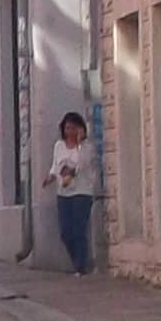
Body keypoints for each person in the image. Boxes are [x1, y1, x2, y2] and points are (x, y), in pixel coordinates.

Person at [45, 110, 98, 275]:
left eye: (74, 128)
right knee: (66, 232)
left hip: (82, 192)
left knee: (79, 230)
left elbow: (82, 164)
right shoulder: (59, 146)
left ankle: (80, 267)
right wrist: (50, 177)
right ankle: (78, 261)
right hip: (64, 192)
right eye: (68, 128)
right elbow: (55, 165)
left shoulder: (87, 147)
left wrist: (80, 142)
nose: (71, 132)